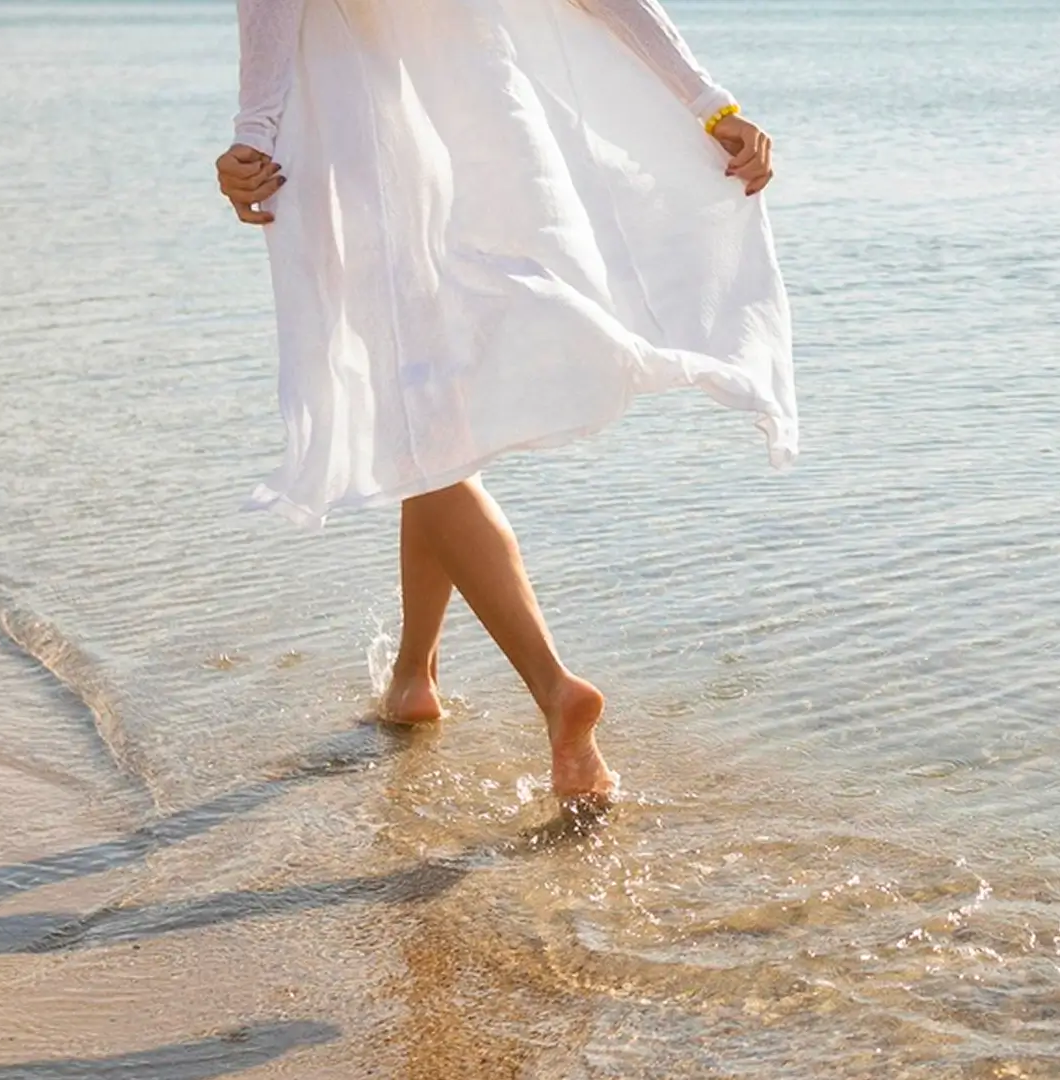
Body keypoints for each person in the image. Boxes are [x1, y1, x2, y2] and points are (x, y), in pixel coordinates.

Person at [215, 0, 797, 808]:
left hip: (374, 147)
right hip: (494, 142)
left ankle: (557, 688)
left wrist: (255, 132)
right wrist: (710, 104)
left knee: (416, 427)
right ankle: (413, 678)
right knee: (430, 430)